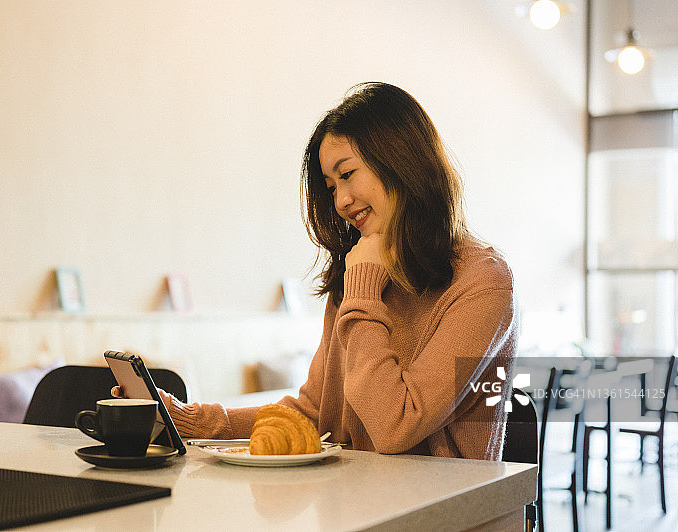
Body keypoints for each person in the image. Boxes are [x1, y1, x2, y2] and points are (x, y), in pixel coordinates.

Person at [116, 82, 517, 459]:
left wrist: (362, 293)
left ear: (401, 161)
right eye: (330, 186)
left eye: (347, 175)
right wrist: (190, 419)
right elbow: (315, 411)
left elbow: (395, 426)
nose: (341, 201)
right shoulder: (360, 274)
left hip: (448, 504)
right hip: (363, 497)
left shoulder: (482, 281)